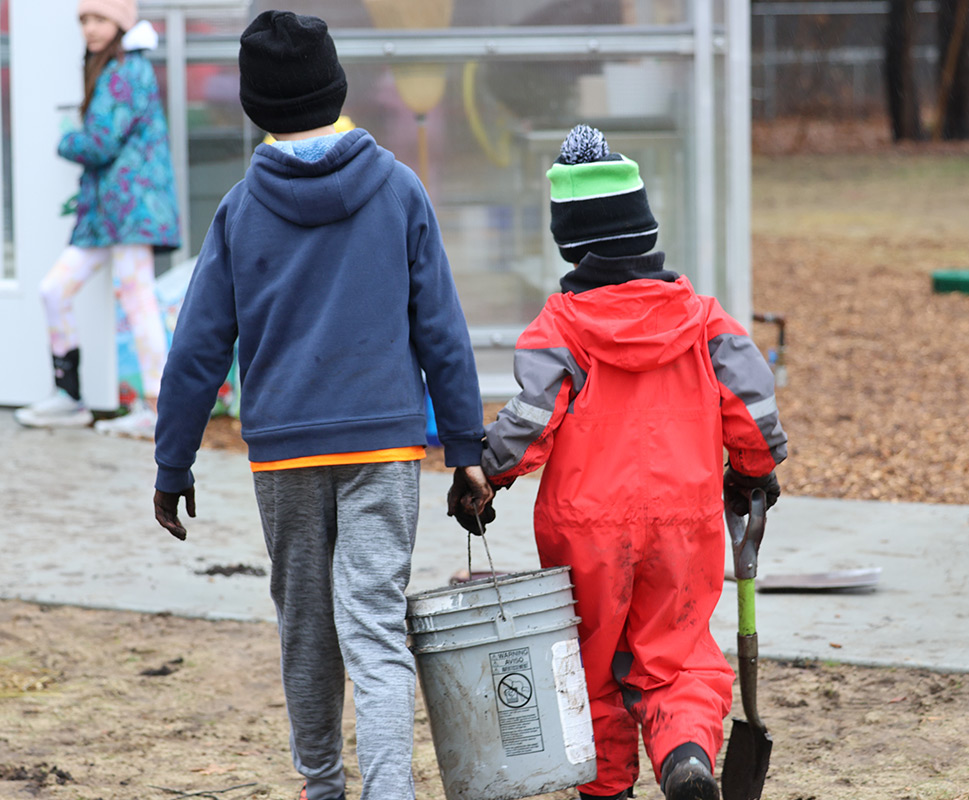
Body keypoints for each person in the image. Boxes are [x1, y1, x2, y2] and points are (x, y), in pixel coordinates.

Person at [151, 11, 493, 800]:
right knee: (373, 626)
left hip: (287, 452)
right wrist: (466, 448)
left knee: (307, 630)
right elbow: (440, 326)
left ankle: (322, 786)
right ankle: (389, 790)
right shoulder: (399, 189)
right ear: (338, 88)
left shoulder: (241, 209)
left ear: (253, 107)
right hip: (385, 448)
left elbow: (198, 347)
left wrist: (174, 462)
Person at [449, 125, 787, 800]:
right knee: (680, 652)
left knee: (588, 666)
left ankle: (607, 790)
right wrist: (753, 468)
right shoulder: (702, 319)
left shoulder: (562, 327)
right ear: (645, 230)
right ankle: (686, 754)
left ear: (568, 244)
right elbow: (753, 405)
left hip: (586, 529)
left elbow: (532, 417)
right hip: (683, 520)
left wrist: (488, 473)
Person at [14, 0, 180, 437]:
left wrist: (67, 135)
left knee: (137, 298)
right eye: (84, 19)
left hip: (130, 207)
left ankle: (158, 408)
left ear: (121, 23)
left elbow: (100, 143)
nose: (90, 27)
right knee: (55, 290)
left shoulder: (126, 69)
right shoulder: (110, 67)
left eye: (100, 18)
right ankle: (70, 397)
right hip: (106, 212)